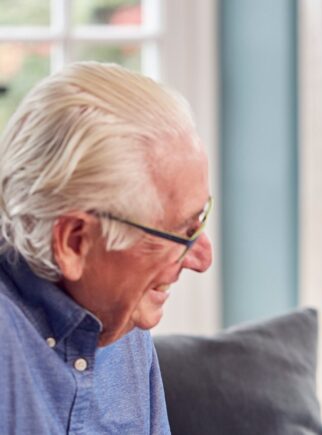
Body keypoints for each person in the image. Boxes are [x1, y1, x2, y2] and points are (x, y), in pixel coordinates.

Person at [0, 62, 213, 433]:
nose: (202, 257)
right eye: (179, 233)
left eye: (201, 218)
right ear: (74, 242)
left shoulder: (123, 324)